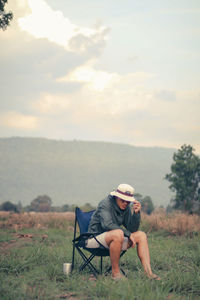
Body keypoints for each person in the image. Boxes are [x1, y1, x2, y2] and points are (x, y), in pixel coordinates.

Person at [86, 183, 160, 280]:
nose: (125, 203)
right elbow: (107, 224)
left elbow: (132, 229)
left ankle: (149, 273)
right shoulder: (105, 204)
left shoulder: (125, 207)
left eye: (128, 201)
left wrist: (136, 214)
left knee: (141, 235)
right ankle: (116, 274)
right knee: (119, 233)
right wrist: (128, 234)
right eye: (123, 200)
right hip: (94, 239)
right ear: (116, 196)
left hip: (114, 240)